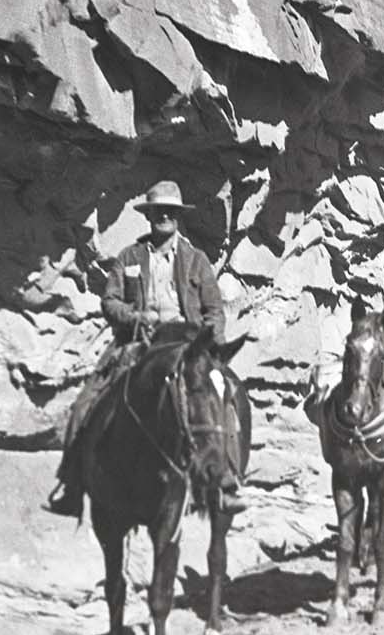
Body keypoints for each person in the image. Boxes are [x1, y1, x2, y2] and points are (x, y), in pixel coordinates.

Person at [46, 180, 240, 517]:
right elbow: (109, 301)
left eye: (170, 211)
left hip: (187, 346)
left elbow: (214, 310)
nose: (163, 216)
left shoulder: (196, 260)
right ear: (148, 216)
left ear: (179, 217)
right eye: (157, 211)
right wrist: (134, 315)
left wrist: (212, 348)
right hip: (140, 342)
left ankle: (225, 482)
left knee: (225, 402)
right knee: (86, 402)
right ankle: (73, 484)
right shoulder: (130, 256)